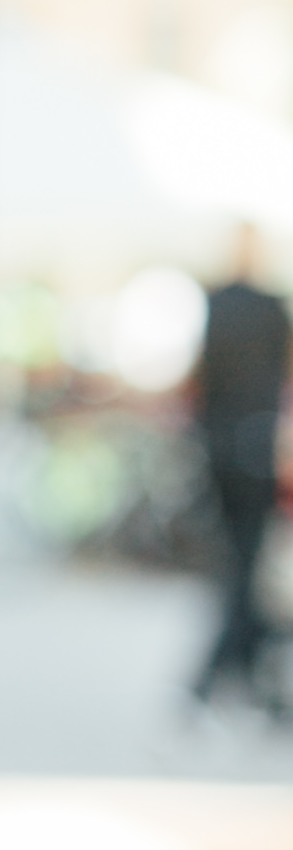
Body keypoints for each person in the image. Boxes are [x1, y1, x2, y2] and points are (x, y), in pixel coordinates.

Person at [189, 226, 289, 715]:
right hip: (255, 449)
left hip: (221, 448)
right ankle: (214, 676)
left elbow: (201, 380)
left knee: (240, 565)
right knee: (246, 568)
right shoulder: (269, 308)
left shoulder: (216, 304)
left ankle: (242, 673)